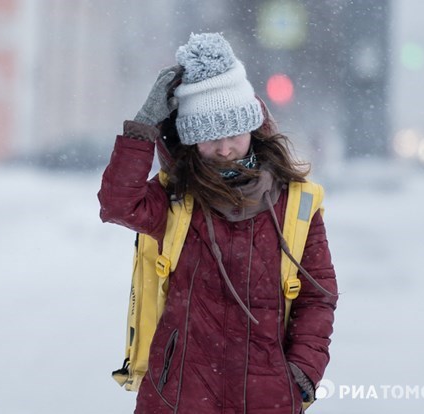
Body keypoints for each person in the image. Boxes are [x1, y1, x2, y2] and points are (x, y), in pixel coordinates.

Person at [98, 32, 338, 414]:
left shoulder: (295, 202)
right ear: (192, 141)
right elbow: (117, 205)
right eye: (209, 138)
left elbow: (317, 296)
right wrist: (144, 125)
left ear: (253, 128)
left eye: (233, 133)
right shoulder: (176, 197)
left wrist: (302, 372)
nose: (224, 148)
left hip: (268, 397)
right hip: (176, 395)